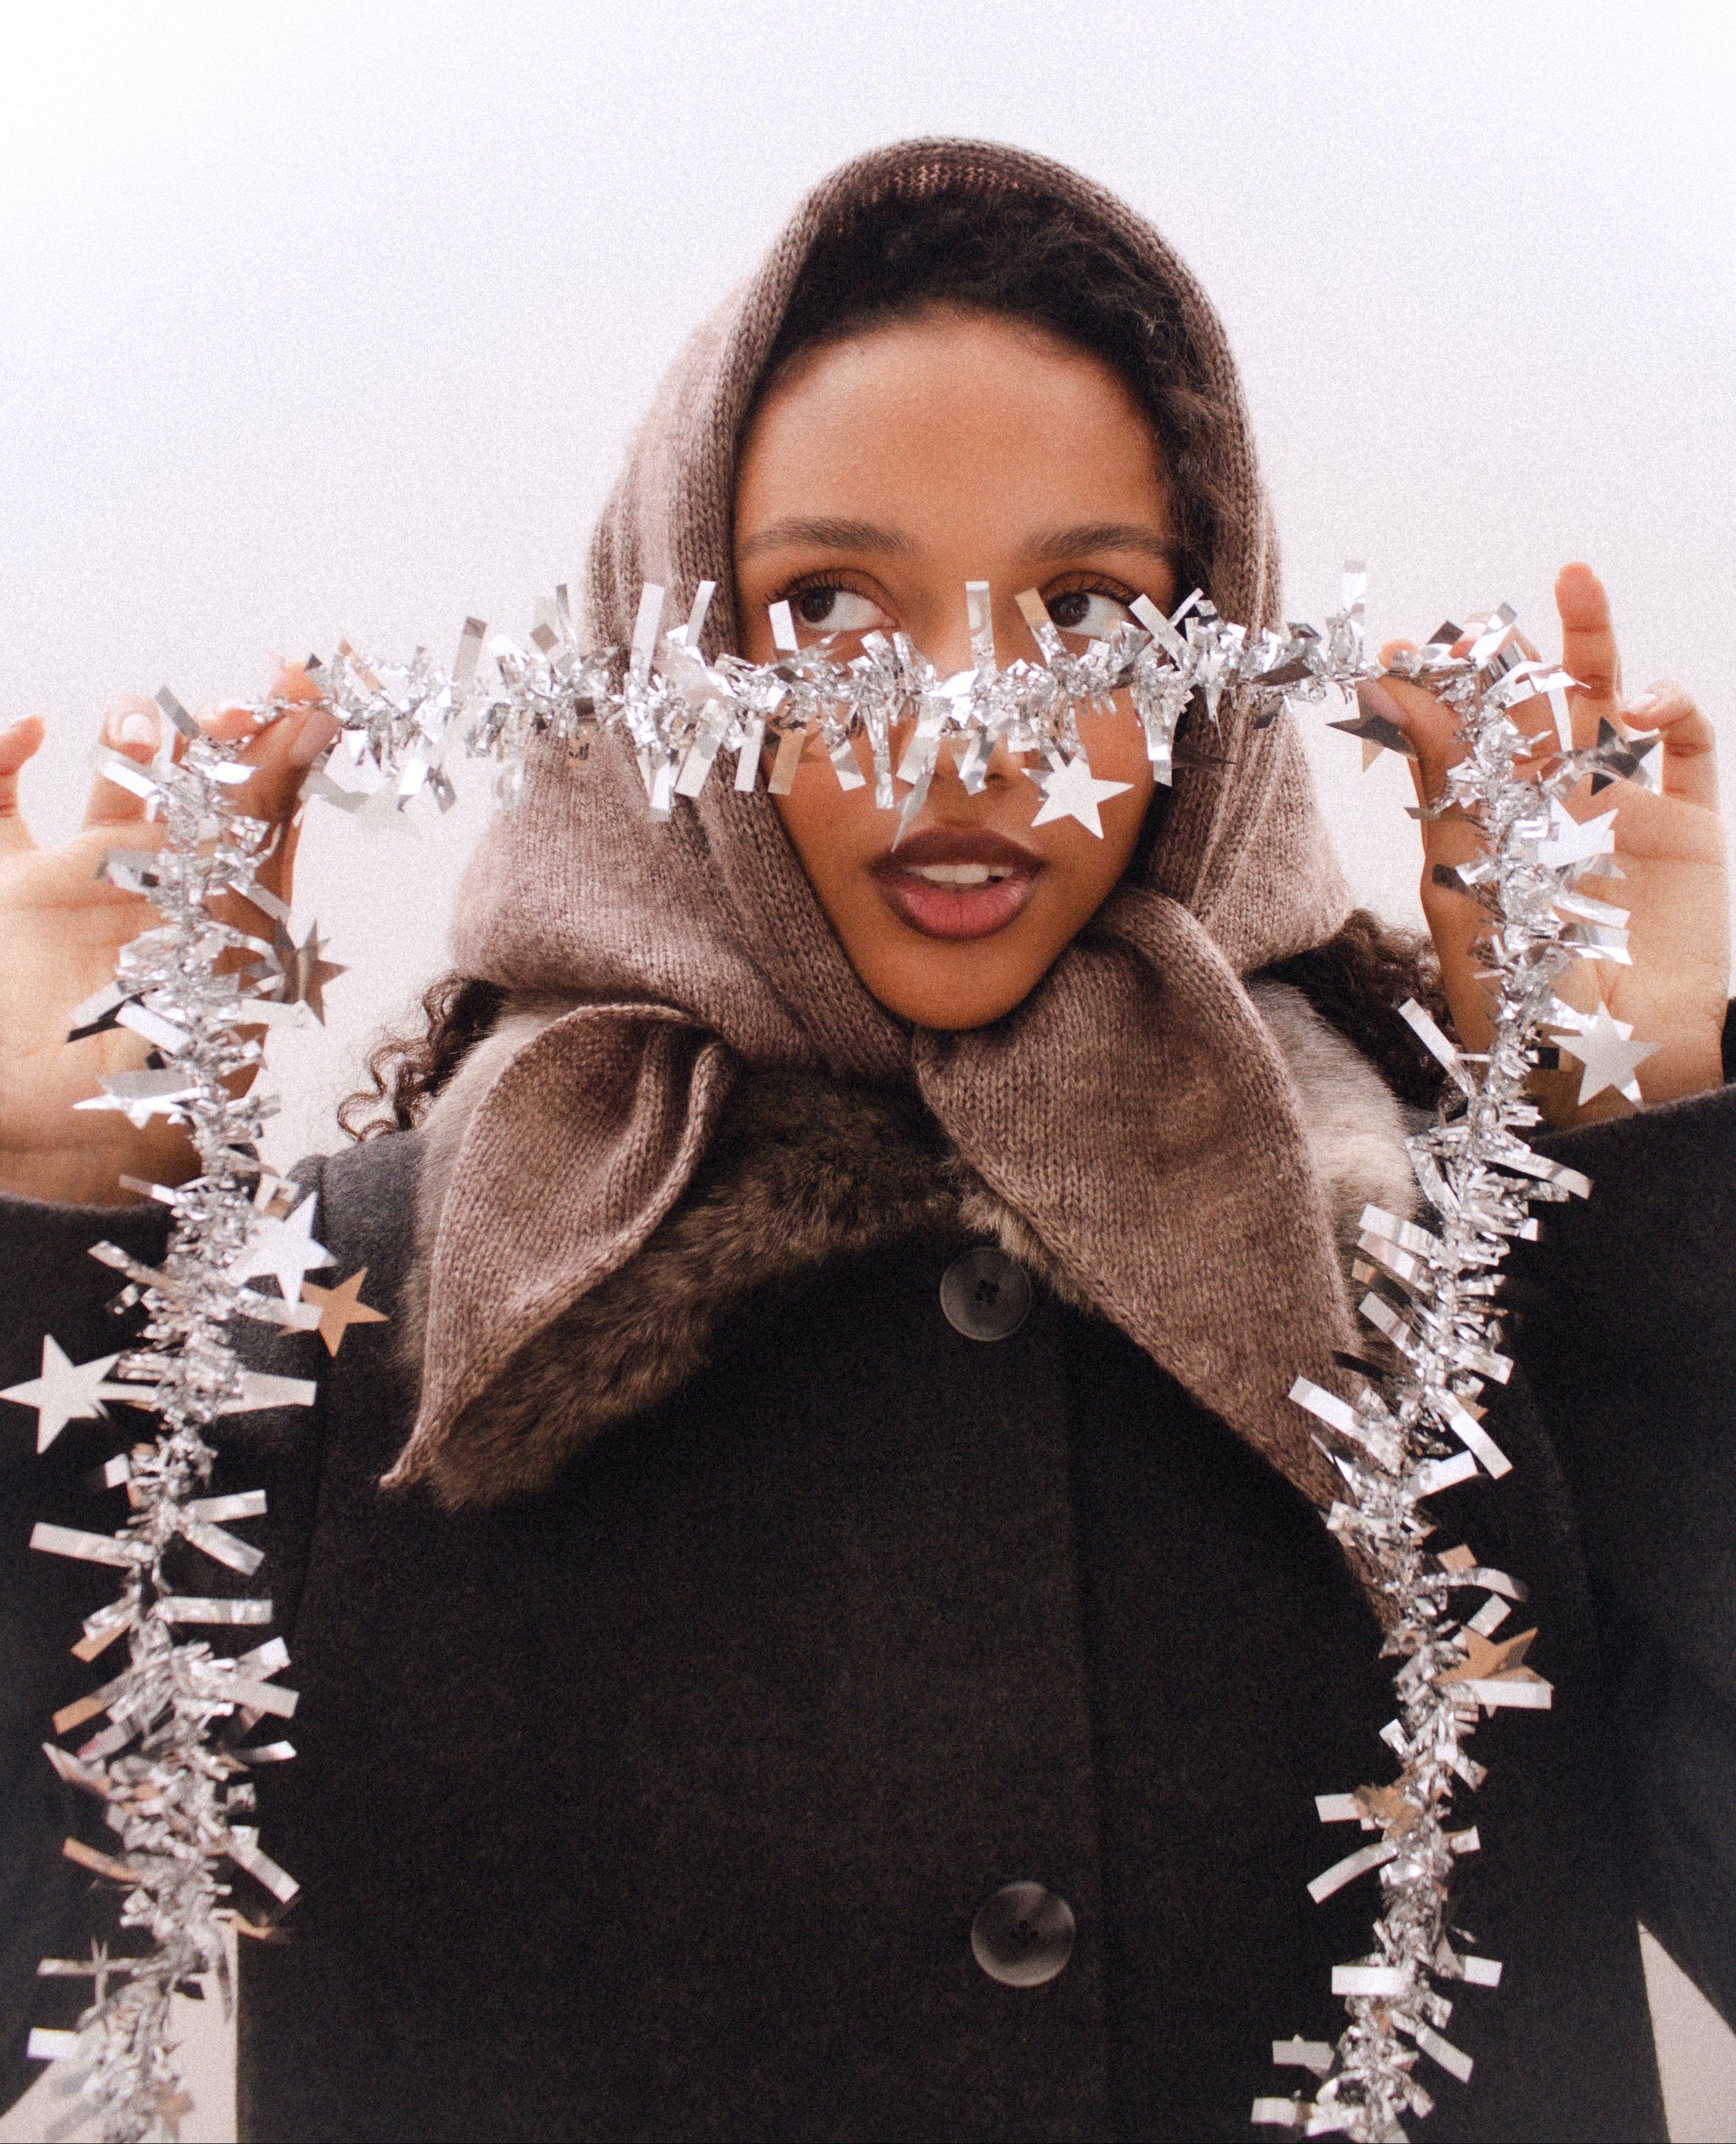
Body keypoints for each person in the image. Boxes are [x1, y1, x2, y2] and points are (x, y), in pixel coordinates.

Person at [2, 138, 1732, 2143]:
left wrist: (1657, 1135)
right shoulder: (348, 1313)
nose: (968, 729)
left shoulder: (1476, 1291)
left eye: (1089, 608)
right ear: (662, 641)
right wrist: (54, 1203)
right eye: (828, 606)